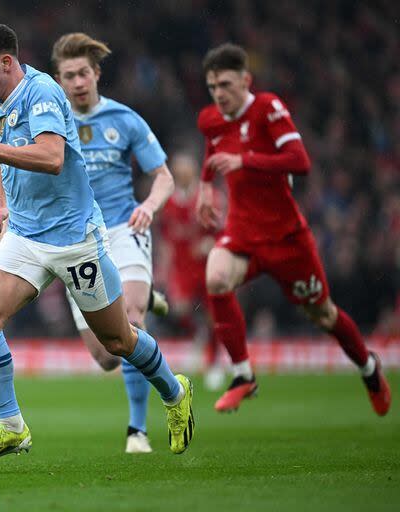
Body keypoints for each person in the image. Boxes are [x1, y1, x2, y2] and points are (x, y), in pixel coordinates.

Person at [0, 22, 194, 463]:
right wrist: (1, 202)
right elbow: (3, 159)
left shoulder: (41, 93)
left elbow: (51, 157)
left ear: (7, 62)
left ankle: (175, 395)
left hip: (74, 238)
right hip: (24, 234)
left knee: (117, 342)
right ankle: (12, 428)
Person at [196, 43, 391, 415]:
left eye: (225, 84)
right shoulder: (211, 119)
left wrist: (244, 160)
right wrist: (206, 185)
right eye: (212, 87)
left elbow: (300, 161)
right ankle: (243, 375)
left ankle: (368, 366)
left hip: (287, 240)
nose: (219, 94)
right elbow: (212, 148)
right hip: (242, 233)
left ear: (245, 80)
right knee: (216, 277)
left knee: (324, 316)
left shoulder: (267, 107)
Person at [51, 32, 174, 454]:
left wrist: (151, 206)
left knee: (131, 324)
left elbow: (164, 176)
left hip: (124, 227)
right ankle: (145, 293)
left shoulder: (125, 119)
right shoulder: (49, 124)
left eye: (84, 72)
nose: (78, 81)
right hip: (78, 238)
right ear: (59, 80)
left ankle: (136, 430)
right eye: (69, 75)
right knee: (107, 356)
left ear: (97, 73)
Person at [159, 152, 223, 390]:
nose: (181, 174)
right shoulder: (170, 202)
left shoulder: (208, 197)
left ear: (194, 171)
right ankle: (200, 337)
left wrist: (211, 243)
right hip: (182, 267)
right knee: (179, 309)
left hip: (207, 265)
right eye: (178, 170)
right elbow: (167, 237)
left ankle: (214, 363)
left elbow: (222, 229)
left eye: (184, 169)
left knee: (211, 314)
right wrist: (163, 268)